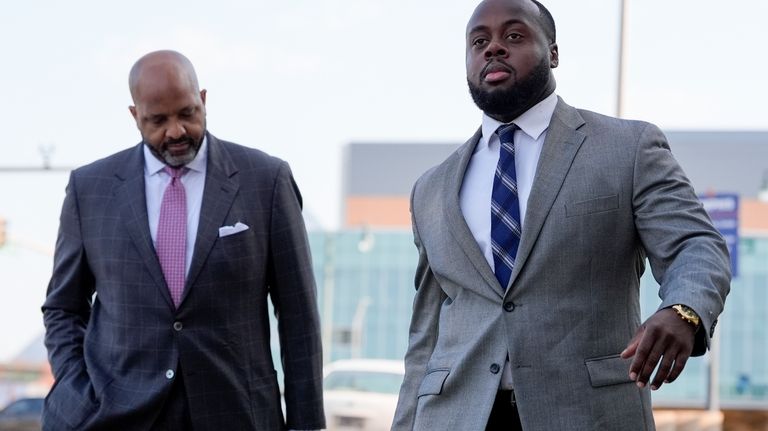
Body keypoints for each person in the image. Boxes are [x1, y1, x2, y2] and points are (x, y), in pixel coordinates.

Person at [391, 0, 731, 429]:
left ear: (553, 53)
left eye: (513, 36)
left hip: (588, 414)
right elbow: (425, 336)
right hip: (453, 417)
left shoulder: (628, 149)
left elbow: (694, 244)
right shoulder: (431, 188)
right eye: (479, 42)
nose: (493, 48)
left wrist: (683, 310)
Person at [42, 50, 325, 430]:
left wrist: (307, 424)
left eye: (187, 113)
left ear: (203, 99)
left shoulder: (266, 180)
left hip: (237, 414)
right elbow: (63, 307)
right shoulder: (89, 190)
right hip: (116, 416)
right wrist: (78, 390)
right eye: (158, 120)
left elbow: (298, 316)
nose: (175, 131)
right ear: (134, 116)